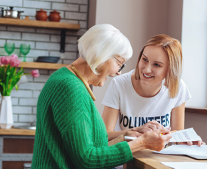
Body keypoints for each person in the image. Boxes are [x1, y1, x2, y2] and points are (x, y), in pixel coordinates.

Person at [31, 24, 172, 169]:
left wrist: (129, 134)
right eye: (120, 64)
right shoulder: (70, 88)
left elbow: (90, 145)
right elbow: (87, 159)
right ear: (102, 55)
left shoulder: (66, 79)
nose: (118, 72)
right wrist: (141, 143)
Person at [102, 34, 205, 146]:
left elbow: (177, 135)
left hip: (158, 158)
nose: (146, 69)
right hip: (126, 158)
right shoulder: (119, 84)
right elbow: (104, 135)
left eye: (157, 65)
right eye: (144, 59)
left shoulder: (178, 87)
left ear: (170, 69)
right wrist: (137, 130)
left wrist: (189, 141)